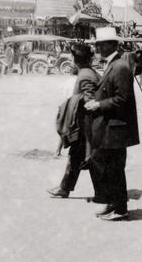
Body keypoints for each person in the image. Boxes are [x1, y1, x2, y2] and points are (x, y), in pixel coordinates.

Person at [83, 27, 140, 221]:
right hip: (109, 126)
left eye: (99, 44)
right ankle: (113, 203)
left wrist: (98, 104)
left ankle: (120, 208)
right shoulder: (113, 64)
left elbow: (123, 99)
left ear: (110, 45)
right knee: (108, 167)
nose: (97, 48)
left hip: (116, 127)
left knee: (115, 169)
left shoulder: (120, 67)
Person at [49, 43, 101, 198]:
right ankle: (65, 188)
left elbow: (89, 100)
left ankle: (98, 191)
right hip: (84, 124)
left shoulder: (85, 75)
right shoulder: (89, 71)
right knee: (80, 157)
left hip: (85, 125)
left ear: (76, 59)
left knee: (85, 157)